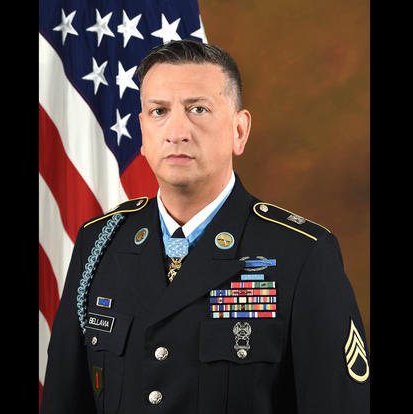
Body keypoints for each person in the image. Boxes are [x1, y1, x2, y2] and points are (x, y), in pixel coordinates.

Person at [40, 39, 369, 414]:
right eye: (159, 111)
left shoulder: (301, 254)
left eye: (198, 109)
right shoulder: (99, 243)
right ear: (142, 132)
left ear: (239, 131)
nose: (177, 131)